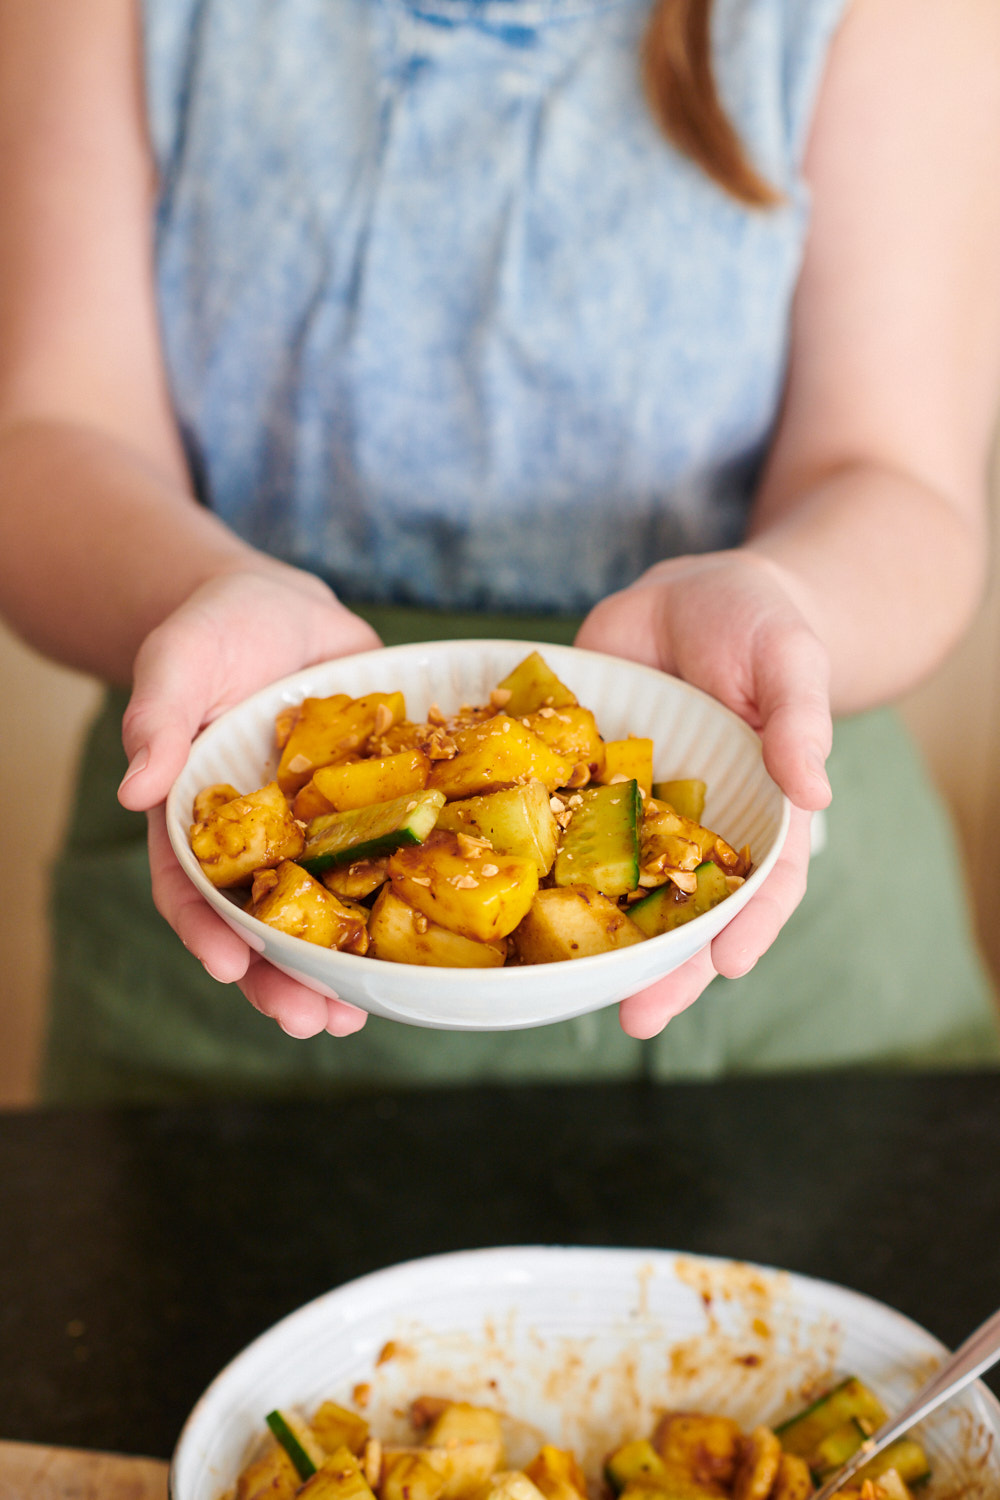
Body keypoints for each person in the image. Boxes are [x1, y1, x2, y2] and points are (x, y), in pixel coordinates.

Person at [0, 0, 998, 1102]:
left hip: (795, 1003)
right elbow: (51, 438)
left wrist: (778, 596)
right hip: (211, 980)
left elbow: (896, 482)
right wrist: (200, 589)